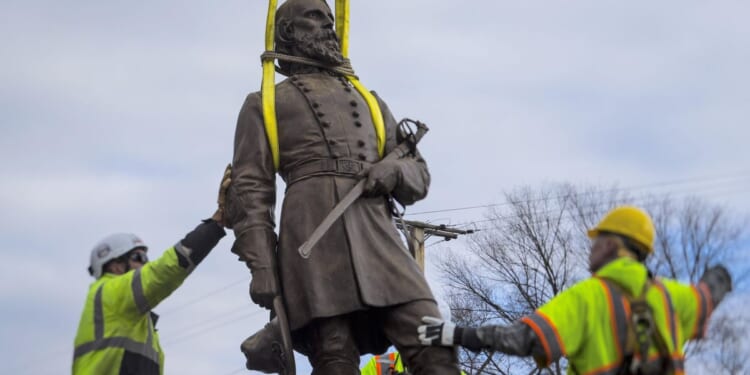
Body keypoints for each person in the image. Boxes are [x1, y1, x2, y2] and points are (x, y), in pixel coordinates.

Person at [226, 0, 460, 373]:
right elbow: (250, 191)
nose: (327, 26)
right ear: (288, 32)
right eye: (315, 17)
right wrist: (261, 266)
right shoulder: (264, 103)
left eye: (330, 19)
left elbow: (418, 174)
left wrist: (394, 172)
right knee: (334, 356)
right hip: (312, 241)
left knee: (432, 341)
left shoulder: (369, 100)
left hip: (377, 233)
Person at [418, 206, 733, 375]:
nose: (591, 250)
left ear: (612, 244)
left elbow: (524, 340)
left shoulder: (588, 296)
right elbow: (711, 293)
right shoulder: (672, 297)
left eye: (595, 241)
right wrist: (717, 277)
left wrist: (454, 334)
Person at [72, 165, 232, 375]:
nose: (145, 263)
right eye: (138, 257)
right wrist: (215, 223)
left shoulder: (139, 326)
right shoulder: (108, 292)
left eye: (146, 257)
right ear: (114, 265)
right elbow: (162, 273)